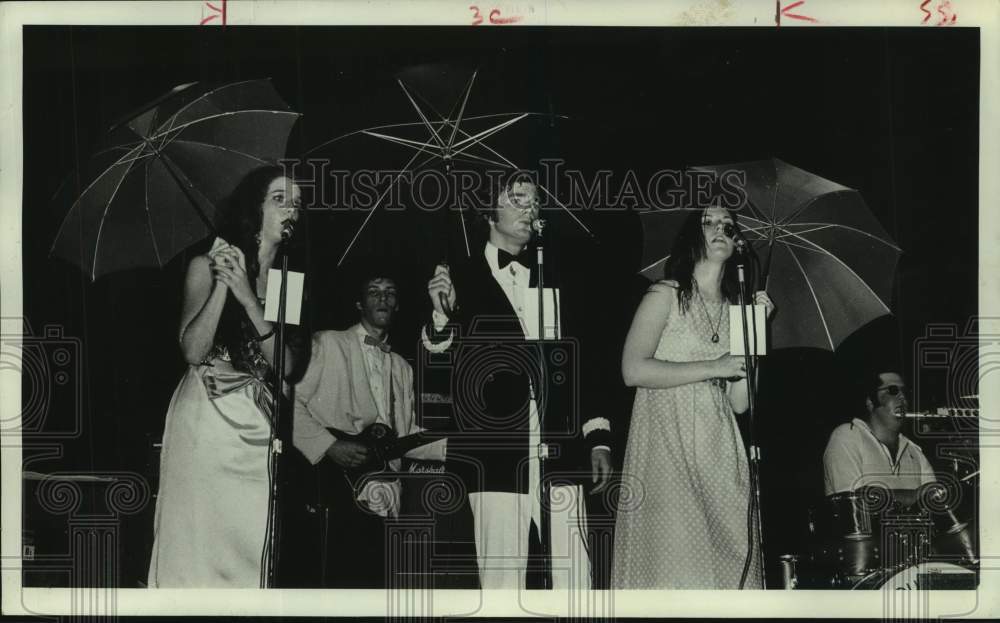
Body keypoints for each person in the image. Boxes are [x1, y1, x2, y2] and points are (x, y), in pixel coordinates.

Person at [421, 174, 614, 590]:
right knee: (501, 581)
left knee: (576, 577)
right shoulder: (460, 277)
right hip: (494, 453)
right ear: (489, 212)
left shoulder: (557, 274)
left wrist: (597, 435)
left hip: (559, 446)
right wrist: (441, 318)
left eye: (536, 202)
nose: (531, 209)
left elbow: (586, 360)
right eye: (517, 199)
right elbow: (439, 370)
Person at [148, 165, 305, 587]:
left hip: (256, 434)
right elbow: (193, 350)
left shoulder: (289, 282)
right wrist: (223, 283)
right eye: (280, 199)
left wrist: (249, 300)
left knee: (249, 550)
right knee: (196, 550)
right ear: (255, 208)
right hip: (206, 423)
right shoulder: (205, 264)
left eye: (298, 202)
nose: (293, 209)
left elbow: (287, 366)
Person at [612, 204, 774, 589]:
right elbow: (632, 370)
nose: (721, 228)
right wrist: (712, 366)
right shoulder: (665, 294)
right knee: (677, 562)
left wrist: (757, 333)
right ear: (691, 235)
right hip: (666, 440)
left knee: (731, 559)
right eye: (709, 222)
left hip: (718, 447)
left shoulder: (739, 309)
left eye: (728, 225)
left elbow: (739, 401)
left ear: (737, 244)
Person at [292, 271, 446, 587]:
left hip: (384, 497)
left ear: (397, 305)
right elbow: (287, 403)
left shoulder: (403, 367)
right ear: (359, 303)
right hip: (332, 491)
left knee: (374, 588)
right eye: (373, 291)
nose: (382, 298)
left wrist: (452, 447)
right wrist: (329, 446)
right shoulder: (328, 342)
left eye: (390, 292)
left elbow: (403, 433)